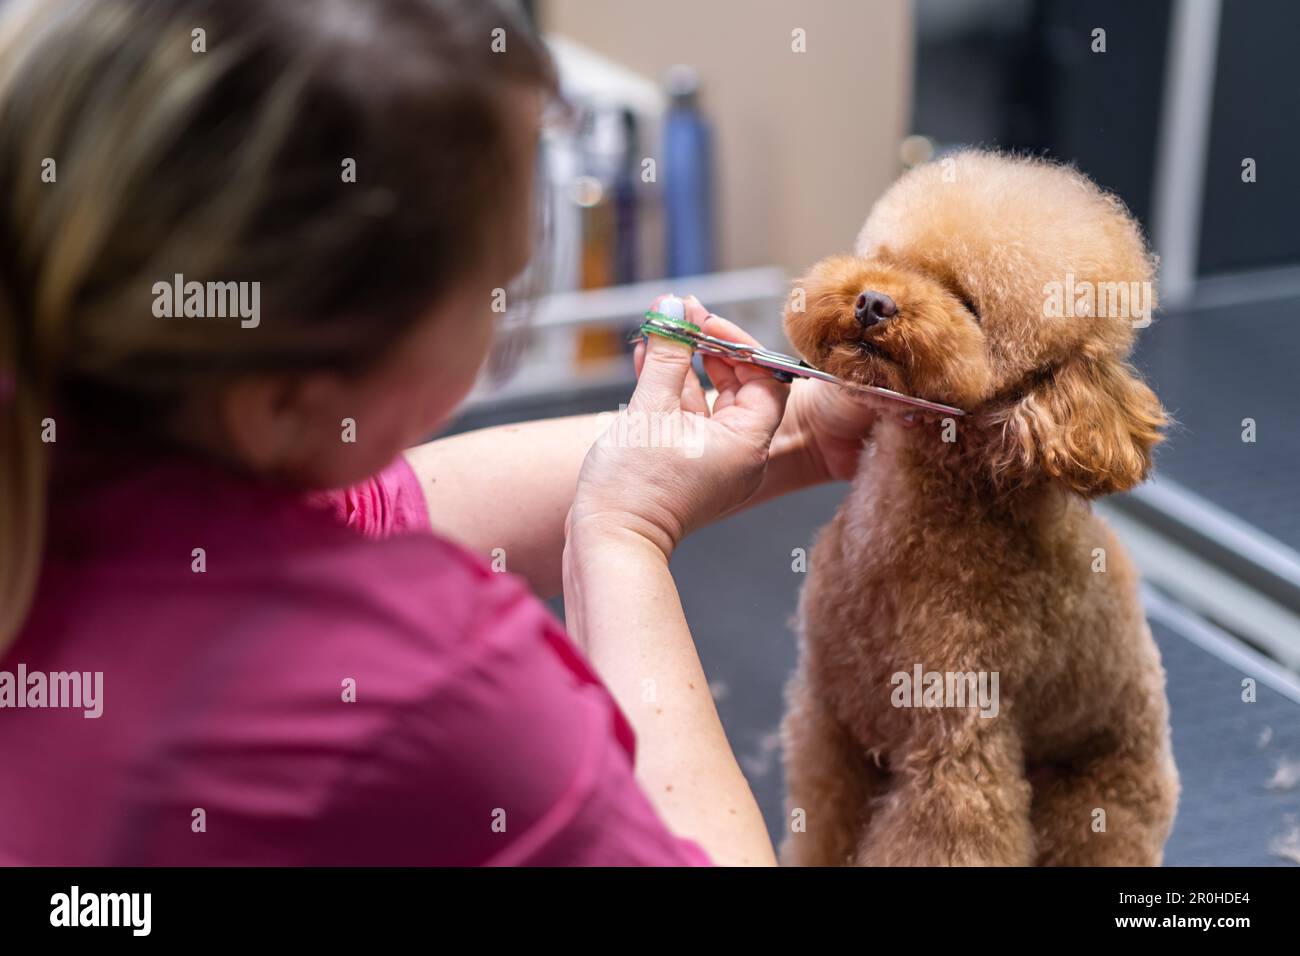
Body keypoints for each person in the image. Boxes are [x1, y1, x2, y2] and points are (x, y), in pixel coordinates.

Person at [0, 0, 876, 866]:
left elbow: (376, 511)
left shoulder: (57, 446)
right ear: (292, 400)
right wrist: (624, 539)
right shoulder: (422, 688)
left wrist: (798, 428)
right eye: (500, 287)